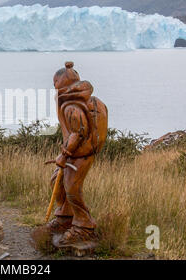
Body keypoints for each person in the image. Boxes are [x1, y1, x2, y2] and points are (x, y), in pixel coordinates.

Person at [48, 61, 108, 247]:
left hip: (80, 155)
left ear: (60, 83)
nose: (54, 86)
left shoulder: (71, 106)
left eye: (55, 82)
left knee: (72, 188)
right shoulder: (73, 100)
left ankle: (84, 226)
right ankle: (65, 216)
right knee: (57, 181)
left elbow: (78, 132)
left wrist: (64, 155)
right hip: (77, 154)